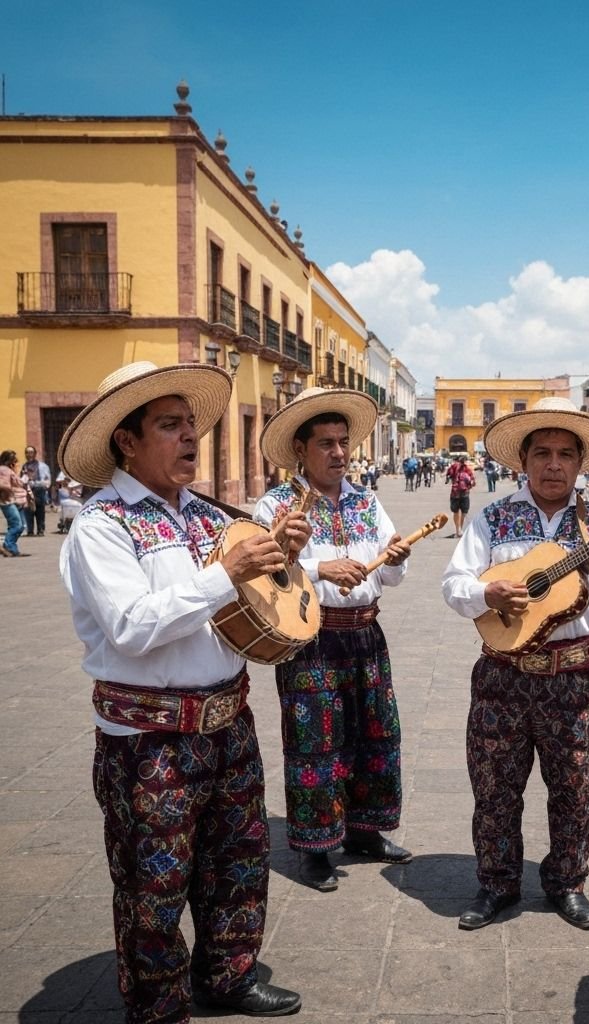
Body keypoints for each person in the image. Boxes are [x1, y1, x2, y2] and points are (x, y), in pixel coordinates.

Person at [57, 360, 308, 1021]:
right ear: (126, 441)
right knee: (154, 887)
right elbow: (133, 627)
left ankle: (229, 975)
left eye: (192, 423)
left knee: (241, 862)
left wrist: (281, 558)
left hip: (229, 720)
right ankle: (159, 1005)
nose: (191, 436)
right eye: (170, 425)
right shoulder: (102, 524)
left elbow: (253, 604)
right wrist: (227, 574)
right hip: (149, 741)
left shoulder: (207, 514)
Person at [441, 397, 589, 931]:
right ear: (523, 462)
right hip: (501, 676)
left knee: (576, 790)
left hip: (575, 681)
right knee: (494, 788)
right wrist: (489, 592)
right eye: (543, 454)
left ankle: (567, 883)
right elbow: (454, 585)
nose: (554, 464)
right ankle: (497, 883)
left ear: (581, 464)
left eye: (566, 455)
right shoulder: (492, 516)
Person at [254, 387, 413, 894]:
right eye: (326, 443)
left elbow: (389, 577)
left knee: (374, 735)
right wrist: (322, 567)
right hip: (311, 641)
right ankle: (316, 846)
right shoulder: (276, 506)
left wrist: (395, 555)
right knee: (315, 744)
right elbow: (262, 572)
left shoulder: (367, 501)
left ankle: (365, 832)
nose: (339, 453)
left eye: (344, 442)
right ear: (300, 450)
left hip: (367, 635)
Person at [0, 450, 26, 557]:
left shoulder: (8, 470)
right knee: (16, 525)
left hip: (13, 500)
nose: (15, 460)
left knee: (19, 526)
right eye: (13, 458)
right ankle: (8, 546)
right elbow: (3, 484)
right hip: (8, 501)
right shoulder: (4, 469)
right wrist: (9, 491)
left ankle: (11, 547)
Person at [21, 445, 52, 536]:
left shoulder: (43, 466)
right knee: (28, 511)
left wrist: (35, 483)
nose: (29, 454)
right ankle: (30, 531)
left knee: (40, 511)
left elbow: (47, 481)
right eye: (27, 452)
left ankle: (40, 530)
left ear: (35, 454)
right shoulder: (24, 466)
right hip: (28, 491)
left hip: (39, 490)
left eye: (31, 452)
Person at [446, 453, 476, 538]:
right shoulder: (468, 469)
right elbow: (473, 481)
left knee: (456, 511)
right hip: (465, 492)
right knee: (464, 512)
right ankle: (460, 530)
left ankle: (458, 529)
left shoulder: (454, 467)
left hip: (455, 492)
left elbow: (449, 475)